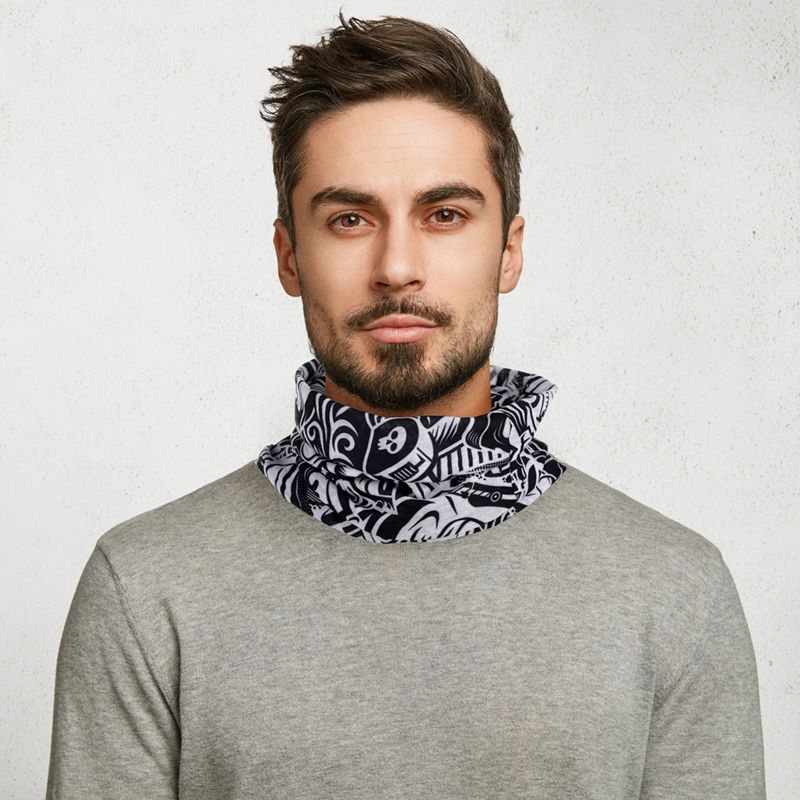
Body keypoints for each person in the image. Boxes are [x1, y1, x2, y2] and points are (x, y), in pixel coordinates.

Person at [46, 13, 766, 799]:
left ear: (509, 251)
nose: (396, 266)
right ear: (289, 256)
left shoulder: (673, 589)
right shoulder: (147, 588)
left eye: (444, 215)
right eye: (349, 219)